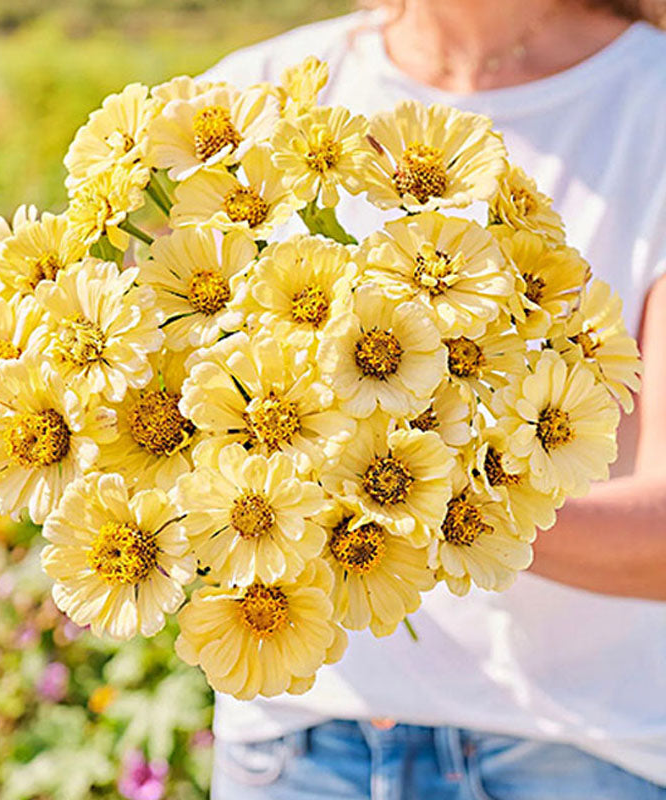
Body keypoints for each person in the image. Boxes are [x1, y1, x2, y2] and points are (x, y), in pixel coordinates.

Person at [199, 1, 666, 798]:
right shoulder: (255, 100)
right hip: (301, 742)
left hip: (572, 751)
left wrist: (429, 500)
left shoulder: (647, 110)